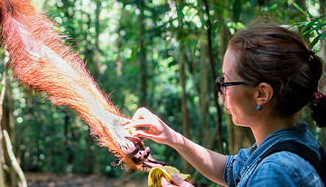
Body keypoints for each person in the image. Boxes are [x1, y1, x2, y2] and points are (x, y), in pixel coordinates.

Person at [125, 23, 326, 187]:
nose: (221, 93)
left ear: (261, 94)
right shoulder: (295, 140)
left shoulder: (273, 171)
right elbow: (229, 170)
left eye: (226, 83)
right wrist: (173, 138)